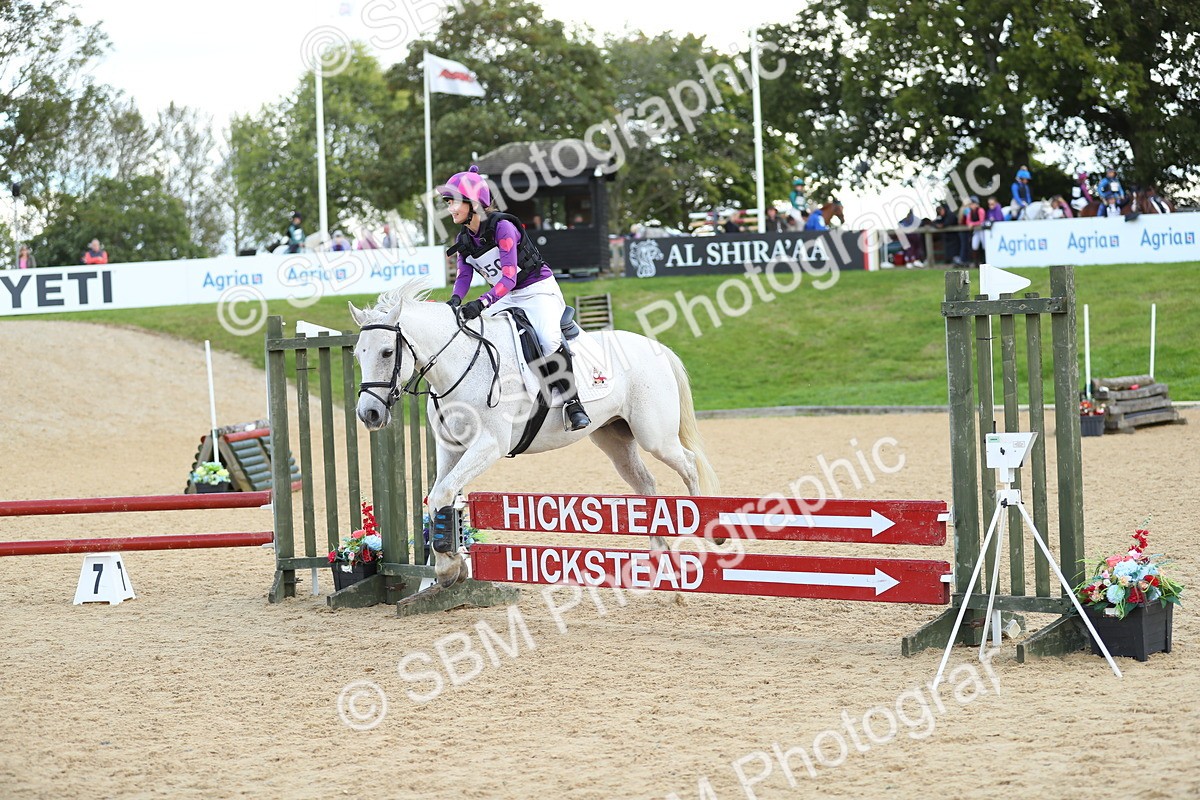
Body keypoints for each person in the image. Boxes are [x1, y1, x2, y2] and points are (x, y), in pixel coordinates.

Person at [440, 164, 590, 431]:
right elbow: (463, 277)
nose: (450, 208)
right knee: (482, 334)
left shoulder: (503, 228)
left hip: (537, 290)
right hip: (506, 296)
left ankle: (573, 403)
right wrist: (455, 300)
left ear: (474, 203)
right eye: (449, 202)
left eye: (454, 202)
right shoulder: (464, 239)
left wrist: (481, 302)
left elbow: (509, 278)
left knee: (547, 338)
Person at [959, 196, 985, 266]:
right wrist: (971, 224)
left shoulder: (980, 210)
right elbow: (968, 221)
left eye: (973, 204)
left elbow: (981, 221)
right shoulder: (970, 212)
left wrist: (972, 224)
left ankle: (985, 261)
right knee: (974, 246)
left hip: (982, 231)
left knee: (984, 245)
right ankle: (976, 263)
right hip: (976, 231)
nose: (971, 205)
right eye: (971, 204)